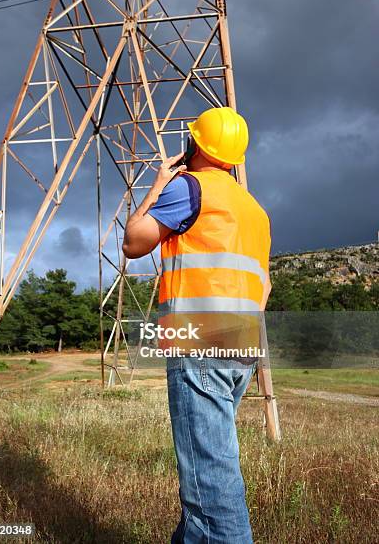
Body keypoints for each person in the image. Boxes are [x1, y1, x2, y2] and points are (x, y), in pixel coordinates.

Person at [122, 106, 272, 543]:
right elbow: (265, 285)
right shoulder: (254, 210)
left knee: (211, 485)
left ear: (195, 144)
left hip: (198, 340)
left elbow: (134, 242)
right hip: (242, 342)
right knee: (207, 472)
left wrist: (156, 186)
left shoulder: (189, 187)